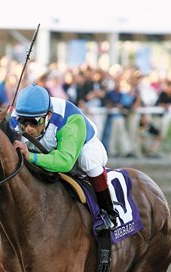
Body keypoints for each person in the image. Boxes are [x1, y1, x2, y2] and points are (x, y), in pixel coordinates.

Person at [12, 83, 118, 232]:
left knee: (88, 160)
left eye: (35, 122)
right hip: (49, 150)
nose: (28, 128)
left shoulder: (70, 121)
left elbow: (66, 162)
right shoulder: (16, 117)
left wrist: (31, 156)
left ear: (48, 115)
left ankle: (108, 212)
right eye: (23, 121)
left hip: (80, 149)